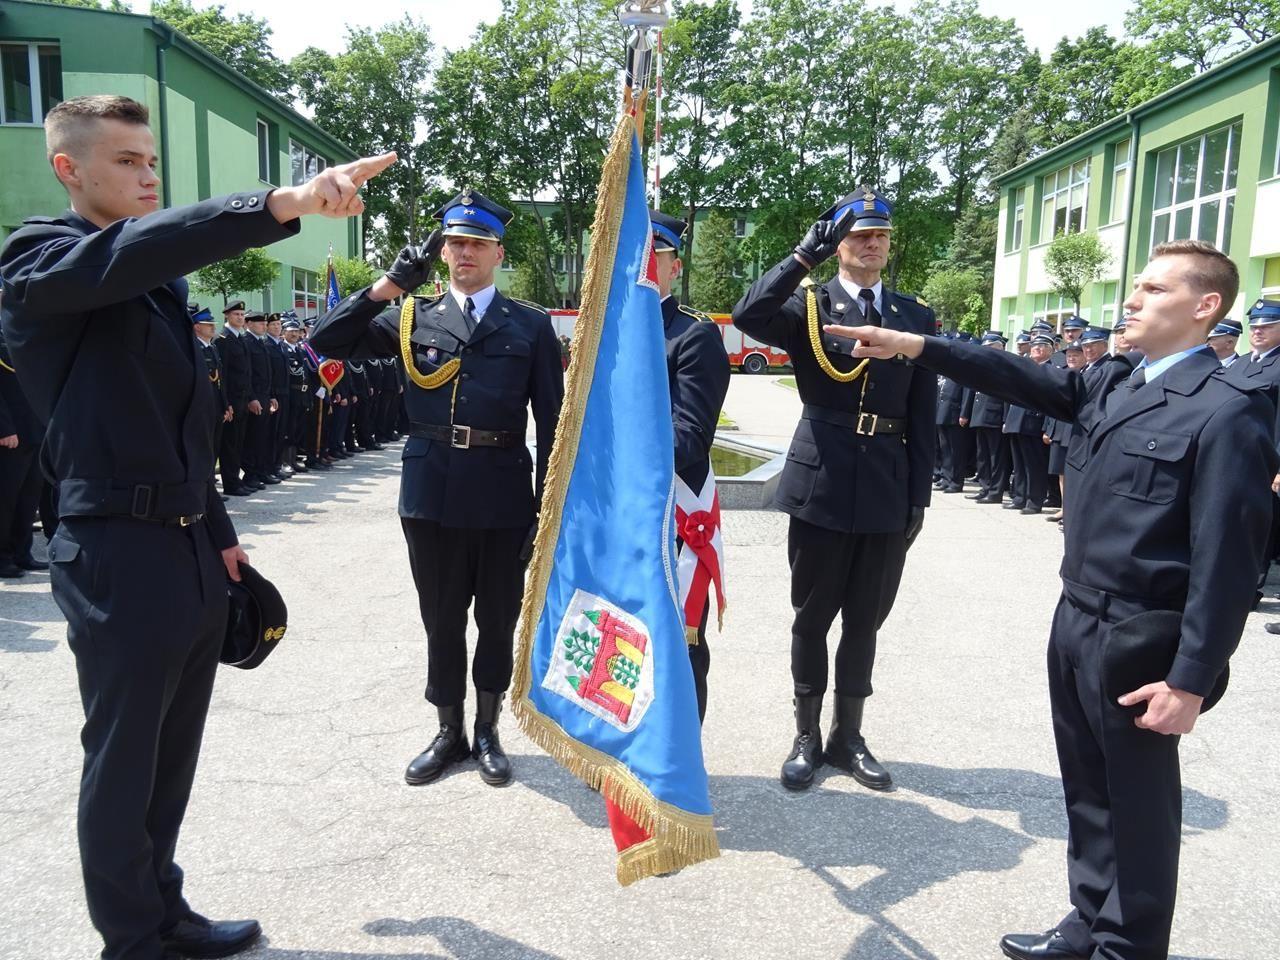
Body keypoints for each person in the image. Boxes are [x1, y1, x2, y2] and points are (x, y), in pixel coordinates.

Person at [0, 93, 393, 960]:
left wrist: (219, 534)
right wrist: (280, 203)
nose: (148, 175)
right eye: (127, 162)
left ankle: (162, 908)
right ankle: (130, 939)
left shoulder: (157, 287)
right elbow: (138, 249)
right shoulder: (39, 260)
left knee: (170, 753)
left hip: (183, 541)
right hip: (110, 547)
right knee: (123, 756)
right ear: (69, 168)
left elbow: (182, 426)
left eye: (151, 161)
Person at [830, 238, 1275, 960]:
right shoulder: (1117, 381)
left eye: (1154, 291)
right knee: (1087, 790)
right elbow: (1010, 375)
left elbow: (1229, 561)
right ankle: (1089, 919)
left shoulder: (1227, 412)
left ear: (1205, 307)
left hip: (1141, 634)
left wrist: (1192, 680)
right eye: (1137, 287)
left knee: (1137, 803)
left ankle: (1128, 946)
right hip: (1076, 617)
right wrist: (914, 344)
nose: (1132, 301)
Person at [309, 189, 563, 788]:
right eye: (454, 242)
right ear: (441, 250)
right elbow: (326, 340)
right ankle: (449, 731)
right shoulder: (410, 316)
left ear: (498, 252)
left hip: (503, 493)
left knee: (497, 619)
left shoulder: (529, 325)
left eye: (477, 242)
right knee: (442, 618)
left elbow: (552, 421)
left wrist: (548, 508)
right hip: (431, 494)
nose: (464, 252)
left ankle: (488, 729)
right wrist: (387, 285)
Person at [730, 186, 936, 792]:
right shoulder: (809, 307)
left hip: (884, 486)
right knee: (812, 615)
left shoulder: (913, 316)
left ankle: (849, 735)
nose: (871, 244)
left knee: (866, 620)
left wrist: (918, 496)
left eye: (879, 236)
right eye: (858, 236)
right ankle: (806, 735)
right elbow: (747, 316)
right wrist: (800, 259)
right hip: (822, 481)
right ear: (839, 245)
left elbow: (923, 414)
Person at [650, 209, 731, 724]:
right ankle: (622, 752)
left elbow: (690, 438)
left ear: (675, 267)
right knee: (616, 632)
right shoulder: (604, 334)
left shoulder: (691, 336)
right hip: (617, 516)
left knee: (681, 641)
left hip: (671, 515)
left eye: (654, 257)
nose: (641, 267)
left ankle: (678, 762)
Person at [0, 318, 44, 579]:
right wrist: (3, 427)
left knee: (28, 498)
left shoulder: (25, 333)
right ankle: (2, 556)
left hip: (35, 429)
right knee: (6, 499)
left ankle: (21, 552)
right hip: (12, 432)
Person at [1003, 333, 1052, 514]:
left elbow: (1050, 402)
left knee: (1034, 465)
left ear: (1050, 350)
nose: (1036, 349)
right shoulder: (1026, 367)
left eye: (1041, 347)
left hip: (1034, 423)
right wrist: (1007, 420)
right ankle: (1020, 497)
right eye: (1034, 347)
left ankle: (1034, 500)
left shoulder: (1050, 370)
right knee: (1020, 464)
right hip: (1016, 421)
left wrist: (1047, 427)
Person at [962, 332, 1010, 505]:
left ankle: (995, 491)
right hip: (979, 415)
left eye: (990, 348)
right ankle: (985, 487)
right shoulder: (982, 366)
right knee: (982, 455)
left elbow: (1006, 396)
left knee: (995, 457)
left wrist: (1005, 419)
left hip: (995, 416)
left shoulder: (1004, 367)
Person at [190, 304, 232, 495]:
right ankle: (204, 490)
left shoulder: (212, 347)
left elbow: (220, 380)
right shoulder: (194, 348)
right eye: (207, 324)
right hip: (203, 407)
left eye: (212, 324)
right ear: (196, 327)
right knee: (203, 449)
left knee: (213, 447)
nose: (212, 327)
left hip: (216, 406)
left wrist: (225, 405)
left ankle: (210, 489)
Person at [214, 300, 252, 496]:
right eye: (236, 314)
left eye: (242, 314)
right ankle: (230, 483)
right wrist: (226, 403)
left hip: (243, 399)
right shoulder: (223, 339)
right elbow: (224, 375)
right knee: (229, 444)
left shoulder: (240, 338)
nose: (240, 317)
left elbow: (246, 373)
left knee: (238, 442)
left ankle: (235, 479)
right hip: (232, 400)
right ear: (227, 316)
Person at [241, 310, 277, 487]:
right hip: (253, 397)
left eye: (264, 322)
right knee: (252, 438)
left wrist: (270, 396)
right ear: (249, 324)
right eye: (260, 323)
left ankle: (261, 471)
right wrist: (252, 398)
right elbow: (248, 375)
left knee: (262, 437)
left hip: (264, 396)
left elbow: (266, 374)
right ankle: (250, 474)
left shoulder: (260, 342)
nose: (264, 325)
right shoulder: (247, 342)